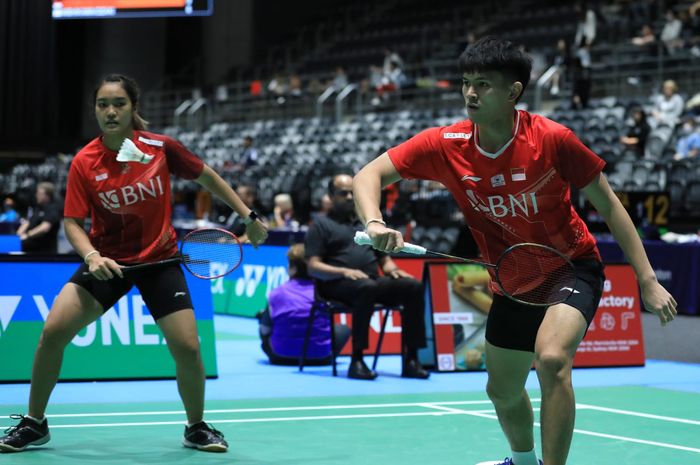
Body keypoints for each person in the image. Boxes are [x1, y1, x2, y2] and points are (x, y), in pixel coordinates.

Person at [352, 37, 676, 465]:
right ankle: (522, 462)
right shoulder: (446, 144)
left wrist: (647, 281)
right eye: (467, 82)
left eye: (483, 84)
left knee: (553, 358)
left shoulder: (553, 140)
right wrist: (374, 221)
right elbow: (368, 175)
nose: (470, 92)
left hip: (569, 267)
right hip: (510, 280)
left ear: (513, 92)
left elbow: (611, 207)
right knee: (501, 390)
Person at [0, 74, 268, 454]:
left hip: (160, 261)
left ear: (133, 108)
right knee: (52, 333)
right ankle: (34, 423)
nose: (110, 111)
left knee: (188, 347)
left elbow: (207, 177)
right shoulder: (85, 161)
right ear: (95, 109)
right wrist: (92, 255)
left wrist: (249, 217)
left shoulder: (161, 148)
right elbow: (72, 223)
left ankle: (196, 427)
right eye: (103, 104)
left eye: (119, 104)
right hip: (108, 263)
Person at [305, 174, 430, 381]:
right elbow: (313, 266)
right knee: (367, 288)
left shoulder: (368, 224)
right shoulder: (320, 225)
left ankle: (412, 359)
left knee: (413, 287)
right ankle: (357, 360)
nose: (348, 197)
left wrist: (392, 270)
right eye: (342, 193)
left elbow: (384, 259)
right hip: (335, 284)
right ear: (330, 196)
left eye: (352, 193)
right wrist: (344, 272)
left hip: (370, 281)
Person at [257, 243, 350, 365]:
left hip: (279, 357)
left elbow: (264, 331)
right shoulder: (324, 292)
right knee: (343, 329)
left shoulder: (276, 293)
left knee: (264, 321)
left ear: (293, 269)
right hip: (321, 358)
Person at [16, 182, 62, 254]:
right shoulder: (38, 208)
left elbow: (45, 227)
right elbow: (28, 222)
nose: (37, 195)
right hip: (29, 249)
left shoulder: (53, 209)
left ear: (47, 195)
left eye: (40, 193)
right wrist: (18, 234)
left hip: (44, 252)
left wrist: (27, 235)